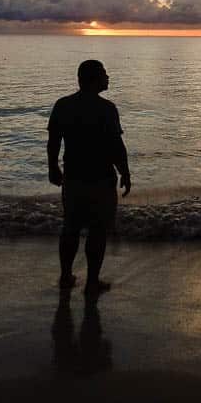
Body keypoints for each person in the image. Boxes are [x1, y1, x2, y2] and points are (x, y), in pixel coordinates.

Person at [48, 60, 131, 295]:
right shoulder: (106, 109)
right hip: (101, 180)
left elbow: (53, 141)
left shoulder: (63, 105)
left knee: (70, 228)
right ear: (94, 78)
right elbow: (116, 145)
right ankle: (92, 282)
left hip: (73, 179)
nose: (108, 77)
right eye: (104, 74)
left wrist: (52, 167)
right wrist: (125, 171)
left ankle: (66, 277)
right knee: (97, 231)